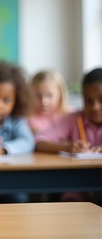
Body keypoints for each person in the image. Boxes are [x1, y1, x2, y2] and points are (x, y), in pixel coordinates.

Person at [35, 68, 102, 202]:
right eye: (88, 100)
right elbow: (39, 140)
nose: (95, 106)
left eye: (101, 99)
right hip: (78, 191)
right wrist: (67, 148)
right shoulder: (74, 119)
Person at [28, 70, 71, 134]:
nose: (44, 101)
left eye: (50, 95)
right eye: (38, 96)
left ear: (61, 94)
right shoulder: (27, 118)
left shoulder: (70, 116)